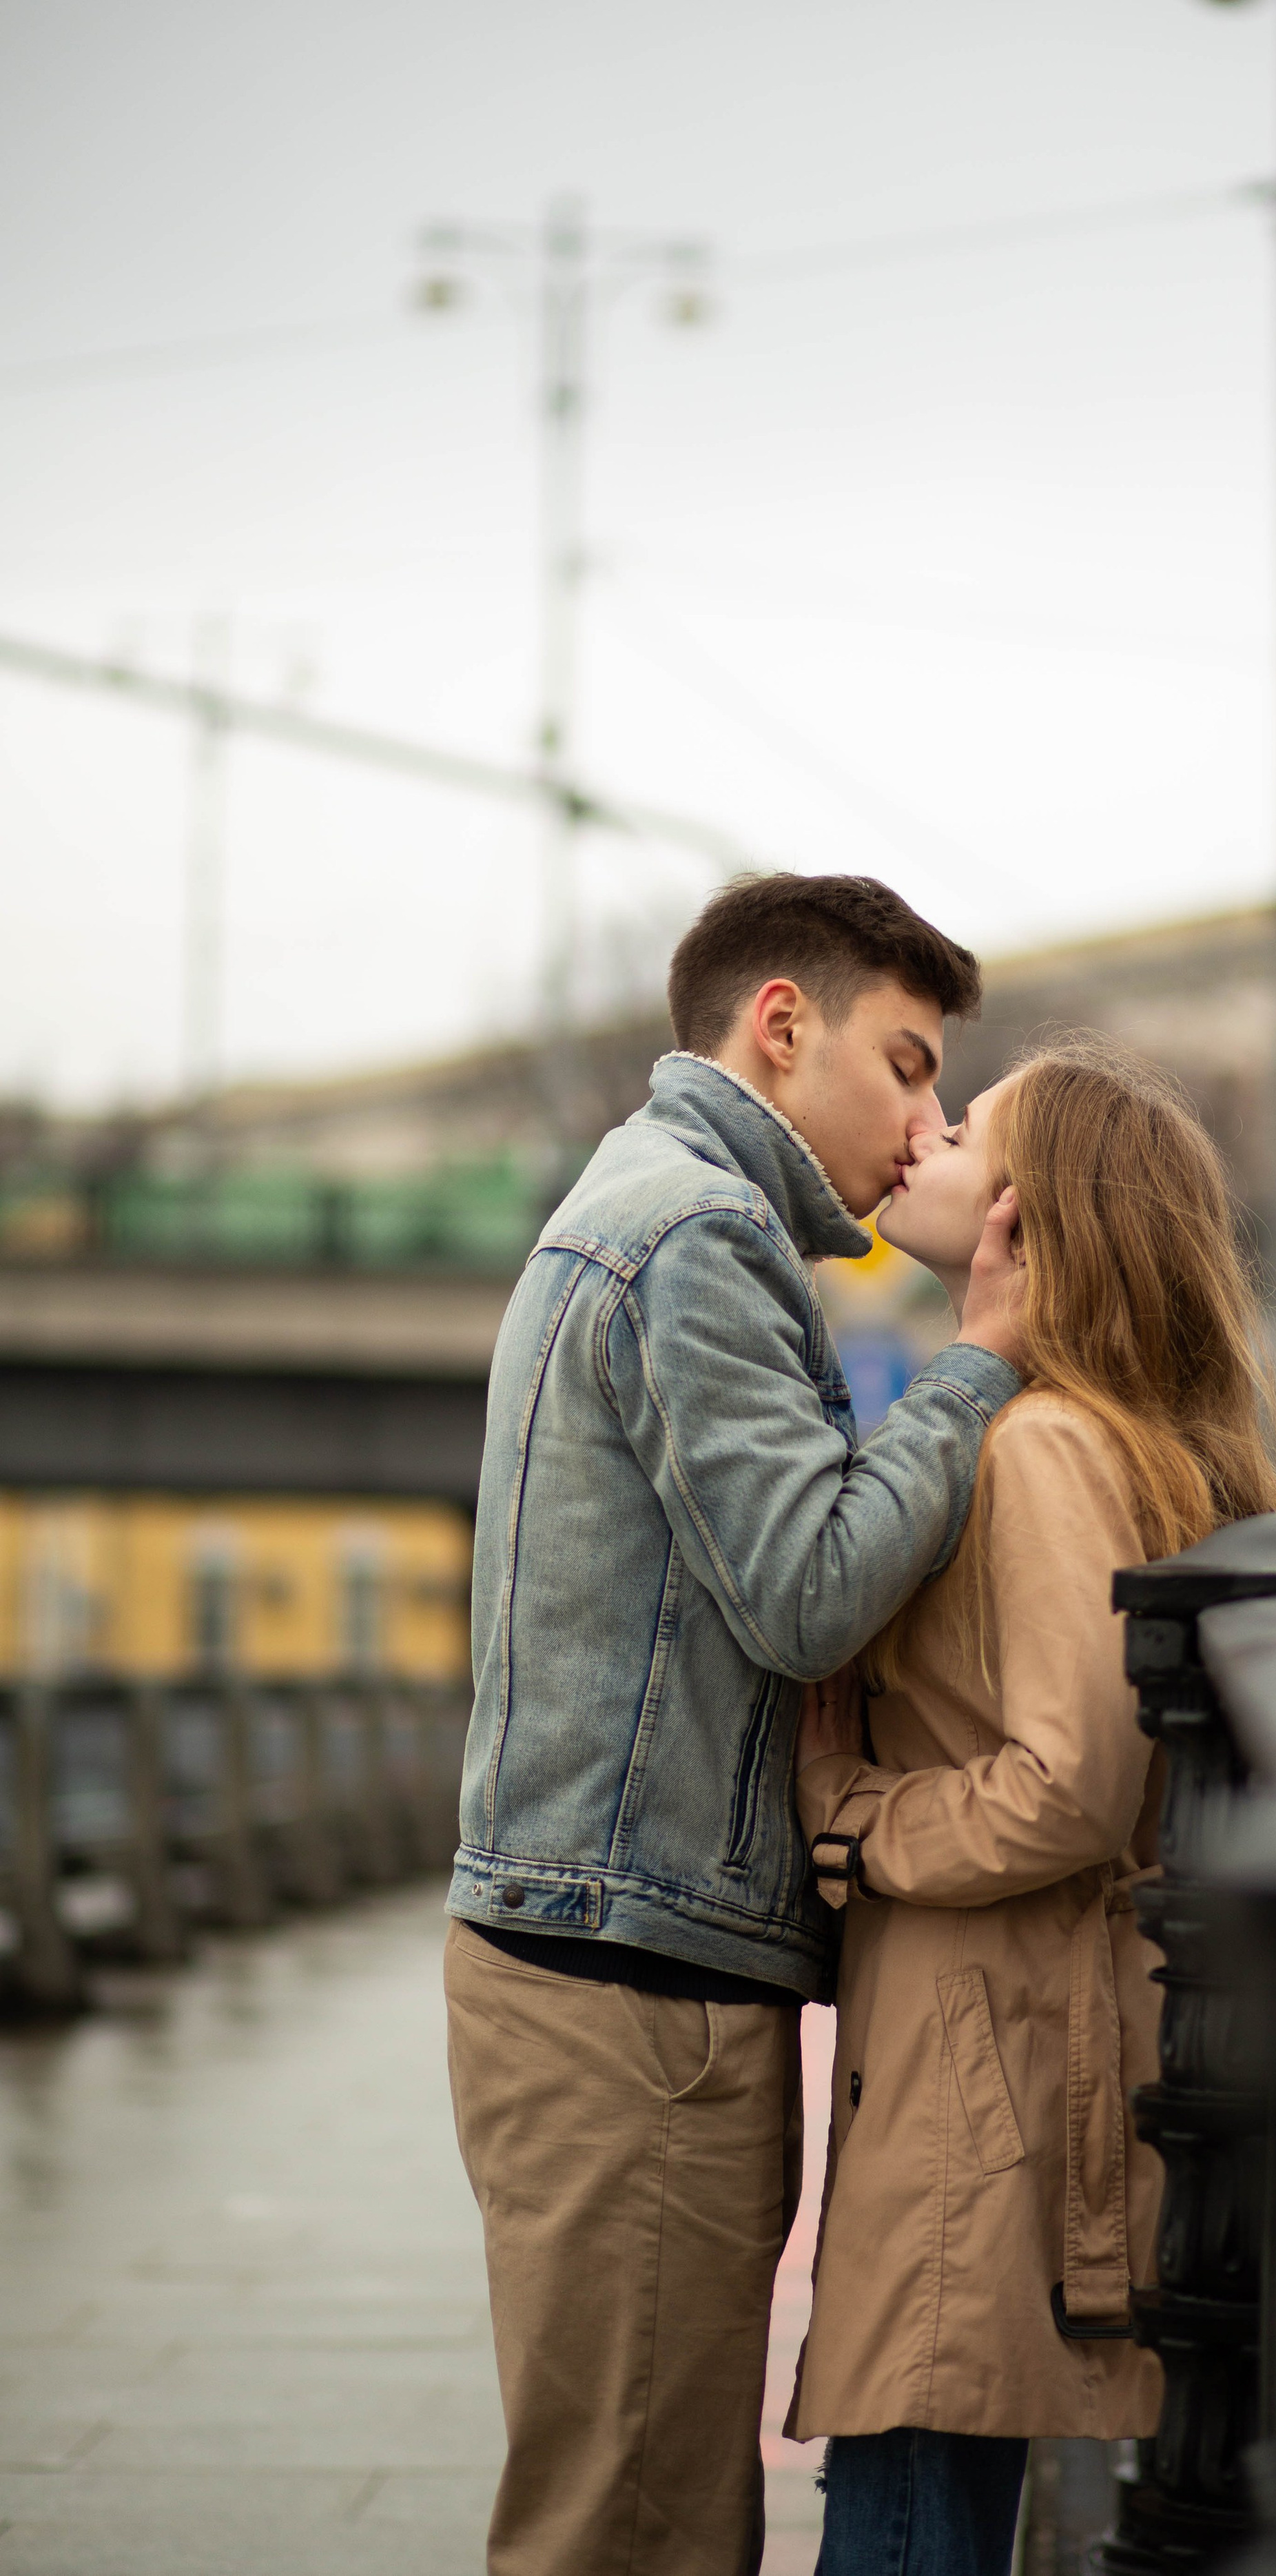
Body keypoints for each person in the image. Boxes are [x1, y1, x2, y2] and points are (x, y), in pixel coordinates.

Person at [442, 874, 1027, 2576]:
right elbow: (804, 1588)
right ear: (782, 1027)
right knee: (635, 2530)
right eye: (907, 1066)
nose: (925, 1126)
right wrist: (975, 1369)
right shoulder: (699, 1235)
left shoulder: (652, 1205)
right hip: (631, 2003)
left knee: (637, 2509)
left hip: (607, 1959)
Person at [788, 1036, 1276, 2575]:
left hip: (978, 2077)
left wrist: (857, 1827)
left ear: (1030, 1216)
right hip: (984, 2053)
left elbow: (1069, 1786)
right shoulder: (1049, 1427)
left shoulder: (1044, 1450)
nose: (924, 1133)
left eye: (967, 1128)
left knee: (907, 2515)